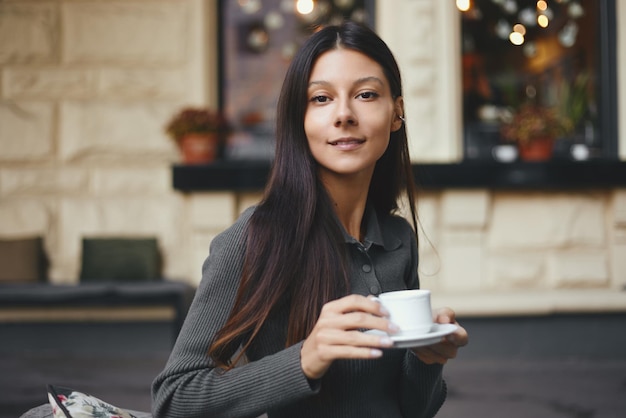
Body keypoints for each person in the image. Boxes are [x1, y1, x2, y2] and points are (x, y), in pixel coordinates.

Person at [152, 21, 468, 418]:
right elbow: (174, 398)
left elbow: (412, 410)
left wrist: (427, 359)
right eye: (320, 99)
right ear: (298, 120)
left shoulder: (398, 239)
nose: (343, 115)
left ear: (396, 113)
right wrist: (305, 358)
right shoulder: (256, 240)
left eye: (366, 94)